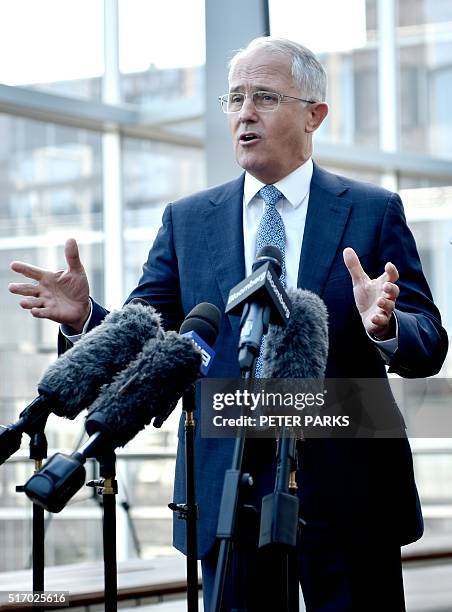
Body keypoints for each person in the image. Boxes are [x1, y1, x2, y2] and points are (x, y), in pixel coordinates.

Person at [9, 37, 448, 611]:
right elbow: (159, 343)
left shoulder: (372, 210)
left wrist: (383, 327)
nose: (244, 112)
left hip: (348, 490)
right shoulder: (188, 220)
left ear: (314, 114)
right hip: (226, 491)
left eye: (264, 96)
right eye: (235, 98)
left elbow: (430, 343)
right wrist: (87, 319)